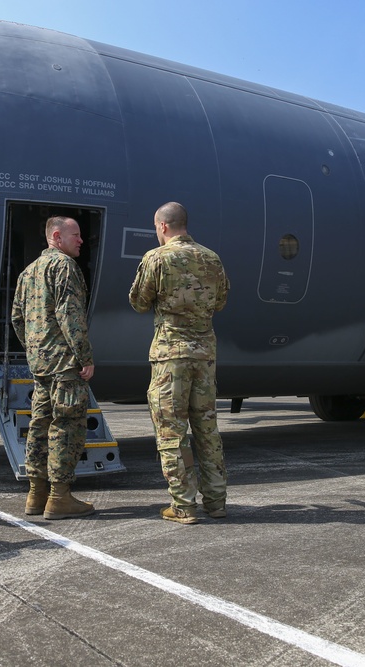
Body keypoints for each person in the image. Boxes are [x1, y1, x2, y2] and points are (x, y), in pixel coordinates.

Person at [128, 202, 230, 524]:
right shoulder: (212, 258)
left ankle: (184, 505)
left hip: (171, 356)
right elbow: (221, 301)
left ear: (162, 227)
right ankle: (217, 502)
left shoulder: (157, 258)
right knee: (207, 428)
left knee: (172, 431)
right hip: (204, 355)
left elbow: (139, 302)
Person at [11, 216, 96, 520]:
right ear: (57, 237)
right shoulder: (64, 267)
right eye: (76, 235)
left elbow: (17, 319)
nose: (81, 240)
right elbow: (70, 316)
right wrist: (84, 357)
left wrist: (35, 348)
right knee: (67, 425)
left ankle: (36, 495)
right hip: (64, 365)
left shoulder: (27, 272)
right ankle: (59, 497)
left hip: (41, 363)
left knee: (39, 424)